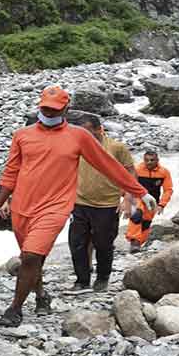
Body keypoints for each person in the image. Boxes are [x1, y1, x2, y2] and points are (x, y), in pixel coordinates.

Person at [0, 86, 155, 327]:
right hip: (22, 207)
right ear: (39, 106)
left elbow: (107, 165)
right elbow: (11, 172)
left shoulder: (79, 136)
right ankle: (42, 296)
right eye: (45, 108)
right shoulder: (22, 135)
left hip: (54, 208)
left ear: (65, 109)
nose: (49, 112)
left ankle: (14, 309)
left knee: (31, 255)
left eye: (54, 109)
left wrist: (138, 191)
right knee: (33, 259)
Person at [70, 114, 137, 292]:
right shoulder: (76, 147)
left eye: (89, 133)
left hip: (107, 204)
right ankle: (82, 280)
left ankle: (103, 277)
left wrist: (128, 199)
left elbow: (131, 173)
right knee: (77, 242)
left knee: (103, 244)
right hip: (80, 202)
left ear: (100, 129)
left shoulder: (116, 148)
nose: (85, 138)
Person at [126, 150, 173, 252]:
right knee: (137, 215)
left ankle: (139, 244)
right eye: (146, 160)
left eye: (152, 160)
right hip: (137, 198)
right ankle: (134, 241)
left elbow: (168, 190)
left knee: (146, 222)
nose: (149, 162)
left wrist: (162, 204)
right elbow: (128, 184)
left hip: (153, 201)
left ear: (157, 160)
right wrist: (126, 202)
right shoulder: (137, 170)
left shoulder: (164, 172)